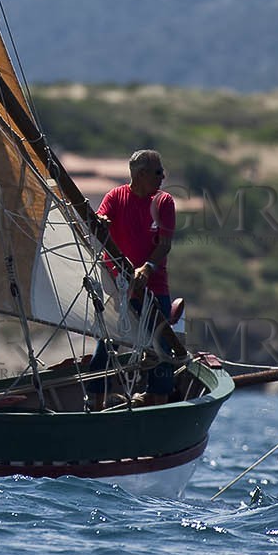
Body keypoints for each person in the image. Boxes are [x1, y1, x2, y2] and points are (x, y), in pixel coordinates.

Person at [88, 149, 178, 405]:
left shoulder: (164, 202)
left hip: (154, 285)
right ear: (141, 174)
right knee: (108, 342)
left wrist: (147, 268)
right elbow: (100, 221)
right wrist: (101, 223)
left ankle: (157, 396)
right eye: (158, 172)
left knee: (161, 343)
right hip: (120, 286)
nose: (163, 177)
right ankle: (97, 397)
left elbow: (165, 244)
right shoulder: (116, 196)